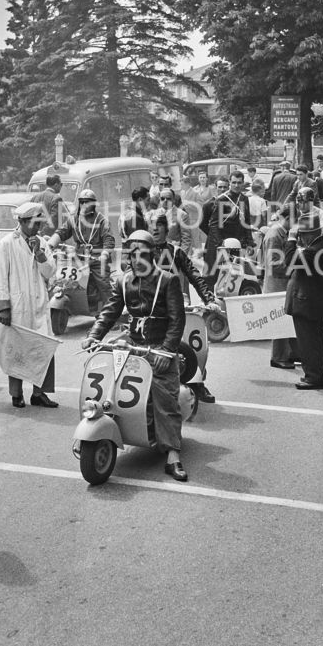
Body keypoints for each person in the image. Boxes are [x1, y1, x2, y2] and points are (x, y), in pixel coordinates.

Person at [85, 230, 189, 481]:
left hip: (158, 347)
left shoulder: (168, 280)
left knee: (165, 397)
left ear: (152, 254)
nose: (136, 259)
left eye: (142, 254)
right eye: (132, 254)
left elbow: (177, 320)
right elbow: (110, 312)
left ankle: (173, 454)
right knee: (108, 382)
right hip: (133, 344)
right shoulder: (124, 281)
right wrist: (94, 335)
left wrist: (167, 350)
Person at [0, 201, 59, 408]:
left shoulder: (42, 243)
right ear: (21, 222)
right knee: (17, 350)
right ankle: (16, 393)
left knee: (43, 347)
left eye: (40, 224)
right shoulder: (6, 244)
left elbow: (50, 271)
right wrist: (4, 307)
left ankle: (39, 393)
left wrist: (39, 253)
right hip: (17, 305)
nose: (38, 228)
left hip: (38, 303)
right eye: (34, 224)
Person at [151, 212, 219, 404]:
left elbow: (194, 275)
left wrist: (208, 298)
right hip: (151, 309)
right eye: (151, 225)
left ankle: (197, 383)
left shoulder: (175, 252)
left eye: (159, 225)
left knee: (191, 344)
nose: (155, 229)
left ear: (166, 229)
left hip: (178, 304)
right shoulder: (141, 253)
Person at [283, 208, 323, 389]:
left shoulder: (312, 251)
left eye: (301, 235)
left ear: (308, 234)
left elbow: (289, 261)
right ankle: (313, 375)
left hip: (306, 303)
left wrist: (290, 240)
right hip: (314, 302)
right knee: (313, 341)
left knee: (308, 343)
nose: (299, 238)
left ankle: (313, 378)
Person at [53, 188, 115, 316]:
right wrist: (51, 243)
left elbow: (109, 239)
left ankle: (110, 315)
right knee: (66, 281)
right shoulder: (73, 219)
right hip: (79, 258)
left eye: (87, 202)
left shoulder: (102, 220)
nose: (84, 205)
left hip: (97, 258)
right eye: (82, 202)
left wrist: (104, 254)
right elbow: (62, 231)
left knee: (103, 284)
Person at [261, 205, 299, 370]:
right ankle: (278, 357)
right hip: (276, 286)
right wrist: (296, 270)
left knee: (287, 321)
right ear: (287, 218)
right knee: (280, 323)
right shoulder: (275, 235)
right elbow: (274, 266)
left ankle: (289, 354)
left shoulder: (280, 233)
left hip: (282, 285)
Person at [199, 169, 253, 280]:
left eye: (239, 182)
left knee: (234, 276)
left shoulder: (244, 199)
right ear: (230, 183)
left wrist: (250, 242)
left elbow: (247, 222)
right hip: (219, 243)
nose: (236, 185)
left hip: (236, 242)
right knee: (212, 275)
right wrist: (220, 242)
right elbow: (214, 224)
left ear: (243, 183)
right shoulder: (221, 199)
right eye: (234, 182)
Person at [30, 169, 65, 236]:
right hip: (48, 238)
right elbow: (54, 221)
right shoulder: (57, 199)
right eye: (61, 184)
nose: (61, 186)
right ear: (56, 184)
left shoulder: (35, 197)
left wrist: (35, 234)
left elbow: (30, 218)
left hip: (34, 236)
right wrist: (42, 236)